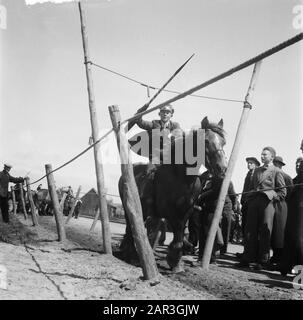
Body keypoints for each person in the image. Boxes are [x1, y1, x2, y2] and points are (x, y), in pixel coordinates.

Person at [238, 146, 286, 270]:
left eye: (265, 154)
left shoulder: (277, 171)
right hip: (254, 202)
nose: (262, 156)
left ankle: (263, 261)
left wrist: (271, 195)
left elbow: (282, 192)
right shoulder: (257, 171)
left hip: (268, 204)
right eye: (262, 154)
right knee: (250, 230)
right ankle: (247, 258)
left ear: (272, 157)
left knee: (265, 232)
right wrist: (250, 198)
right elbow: (252, 187)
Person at [279, 142, 303, 276]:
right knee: (290, 236)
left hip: (300, 206)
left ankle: (300, 272)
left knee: (298, 238)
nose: (301, 149)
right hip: (294, 206)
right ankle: (285, 266)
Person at [270, 156, 293, 265]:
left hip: (281, 205)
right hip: (272, 205)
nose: (276, 165)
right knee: (272, 231)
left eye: (277, 164)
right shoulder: (270, 175)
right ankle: (275, 256)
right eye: (274, 163)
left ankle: (278, 257)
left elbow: (290, 192)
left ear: (280, 165)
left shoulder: (286, 177)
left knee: (279, 232)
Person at [240, 157, 260, 236]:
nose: (248, 165)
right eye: (248, 163)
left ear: (256, 165)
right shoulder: (248, 174)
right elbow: (244, 189)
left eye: (251, 163)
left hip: (253, 202)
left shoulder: (258, 174)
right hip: (246, 203)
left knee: (252, 225)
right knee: (244, 224)